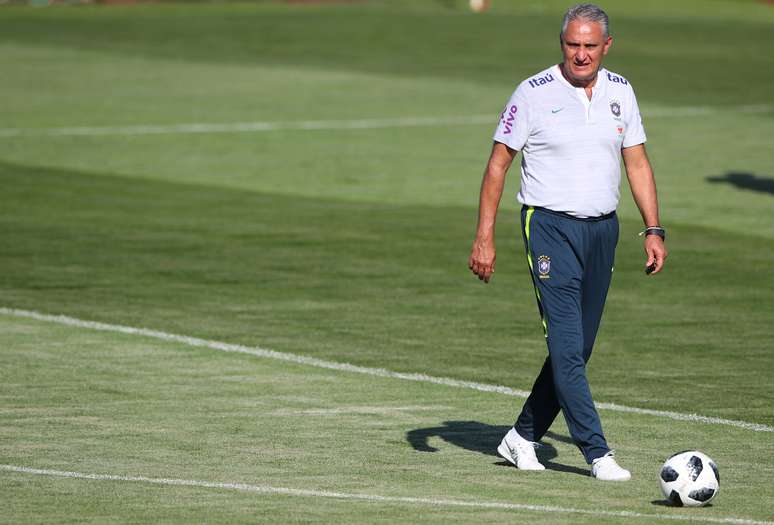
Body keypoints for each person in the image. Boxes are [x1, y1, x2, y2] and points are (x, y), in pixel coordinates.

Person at [468, 3, 667, 481]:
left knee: (576, 350)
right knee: (566, 343)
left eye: (590, 46)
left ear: (607, 46)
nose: (580, 55)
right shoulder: (533, 92)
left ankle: (522, 435)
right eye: (572, 45)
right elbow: (498, 164)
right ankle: (597, 452)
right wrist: (484, 236)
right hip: (549, 228)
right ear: (563, 44)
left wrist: (653, 227)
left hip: (603, 230)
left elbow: (636, 162)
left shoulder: (622, 91)